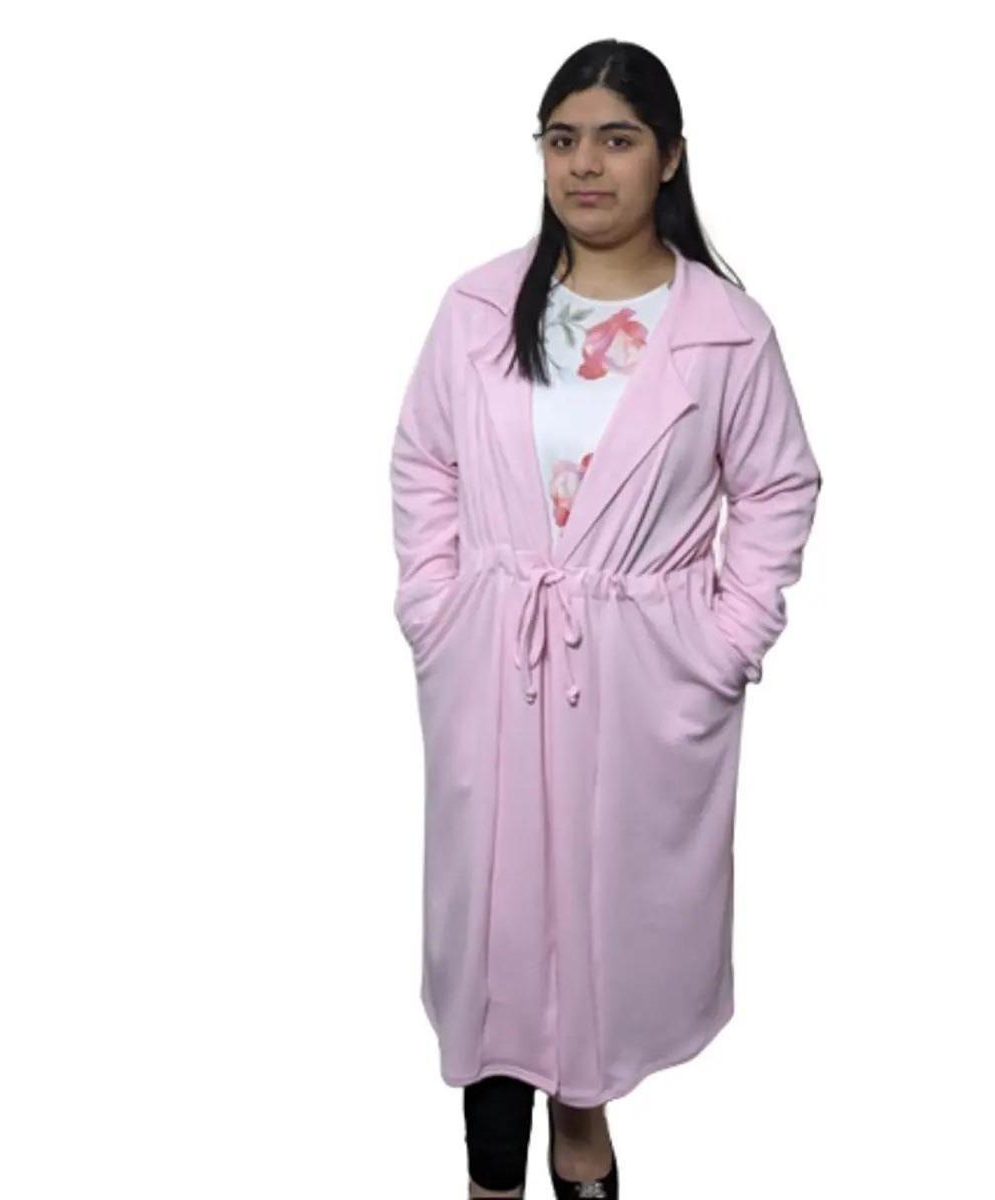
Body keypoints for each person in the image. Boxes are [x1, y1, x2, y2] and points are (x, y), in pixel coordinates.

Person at [389, 38, 823, 1200]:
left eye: (617, 140)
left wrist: (727, 641)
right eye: (563, 139)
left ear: (668, 158)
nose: (586, 165)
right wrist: (434, 605)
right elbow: (424, 459)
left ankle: (582, 1118)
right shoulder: (479, 307)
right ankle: (493, 1168)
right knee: (496, 911)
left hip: (640, 666)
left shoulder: (727, 331)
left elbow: (777, 486)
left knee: (600, 904)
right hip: (494, 648)